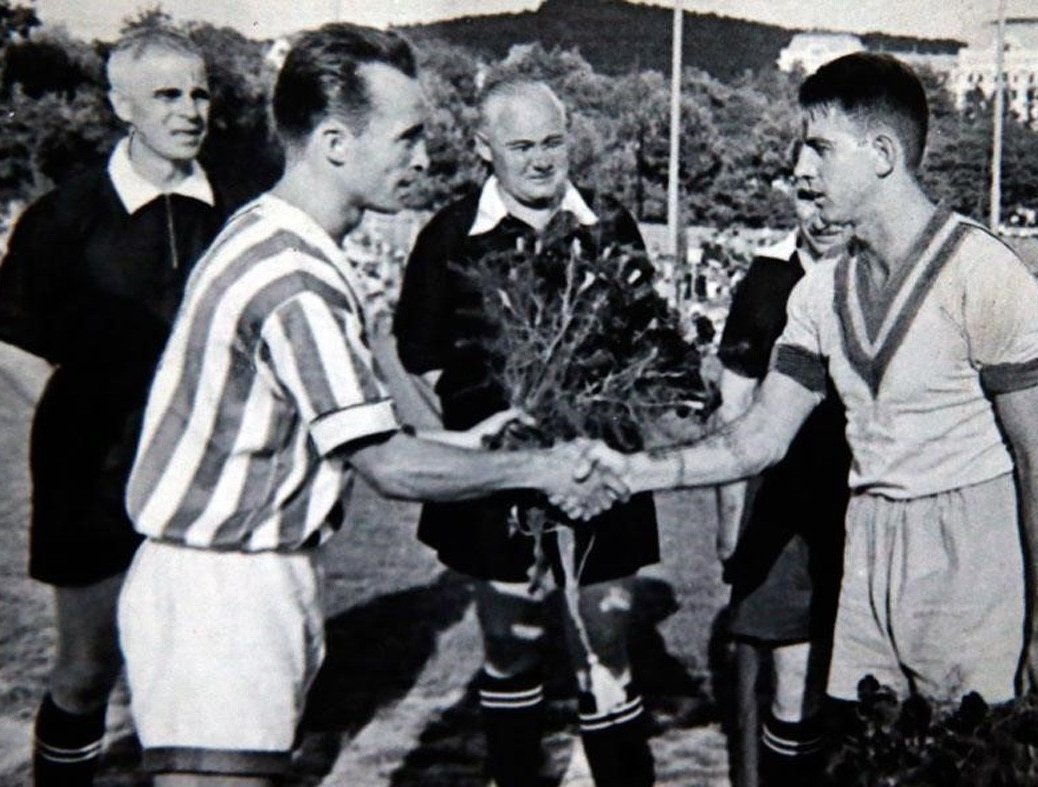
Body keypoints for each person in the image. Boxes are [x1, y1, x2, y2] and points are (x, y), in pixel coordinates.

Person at [115, 26, 620, 785]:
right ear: (334, 142)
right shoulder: (293, 276)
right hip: (222, 591)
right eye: (407, 137)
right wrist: (542, 468)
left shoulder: (271, 235)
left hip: (237, 578)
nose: (424, 159)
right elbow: (387, 466)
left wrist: (471, 443)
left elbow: (353, 435)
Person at [590, 52, 1038, 727]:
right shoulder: (819, 291)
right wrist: (628, 471)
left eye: (820, 148)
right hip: (867, 544)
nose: (801, 169)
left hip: (968, 555)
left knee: (968, 755)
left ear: (882, 154)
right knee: (872, 754)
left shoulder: (986, 275)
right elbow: (756, 438)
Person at [394, 78, 658, 786]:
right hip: (498, 474)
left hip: (602, 462)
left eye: (552, 142)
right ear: (484, 148)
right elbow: (416, 355)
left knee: (607, 638)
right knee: (510, 642)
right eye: (521, 146)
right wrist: (481, 433)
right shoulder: (449, 235)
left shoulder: (608, 224)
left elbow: (646, 345)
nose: (540, 160)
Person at [0, 27, 230, 785]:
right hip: (92, 475)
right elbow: (12, 342)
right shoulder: (62, 218)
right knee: (87, 667)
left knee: (201, 662)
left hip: (204, 475)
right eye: (167, 95)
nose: (189, 110)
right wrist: (86, 418)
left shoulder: (234, 211)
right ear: (121, 105)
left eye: (198, 93)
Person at [713, 178, 851, 785]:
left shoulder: (885, 274)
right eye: (805, 198)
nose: (819, 215)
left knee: (860, 679)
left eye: (831, 199)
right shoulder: (767, 280)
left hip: (873, 504)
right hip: (786, 506)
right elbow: (733, 407)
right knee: (794, 679)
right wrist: (729, 522)